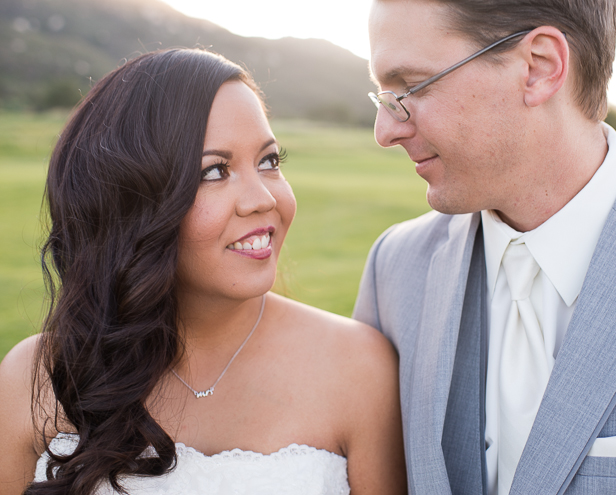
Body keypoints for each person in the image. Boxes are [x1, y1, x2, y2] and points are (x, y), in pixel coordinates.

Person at [353, 0, 616, 494]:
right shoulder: (394, 266)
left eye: (410, 87)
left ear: (539, 67)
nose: (385, 131)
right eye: (384, 96)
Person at [0, 48, 406, 495]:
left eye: (269, 161)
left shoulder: (358, 369)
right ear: (133, 199)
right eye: (215, 170)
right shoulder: (36, 376)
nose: (262, 199)